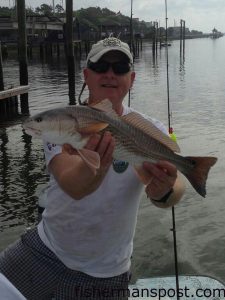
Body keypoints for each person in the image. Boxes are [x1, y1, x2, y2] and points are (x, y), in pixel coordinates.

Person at [0, 37, 185, 299]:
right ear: (86, 75)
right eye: (100, 66)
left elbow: (179, 183)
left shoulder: (155, 130)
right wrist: (97, 167)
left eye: (120, 68)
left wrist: (164, 191)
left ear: (131, 79)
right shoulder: (62, 123)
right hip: (44, 249)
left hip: (106, 273)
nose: (110, 74)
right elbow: (72, 184)